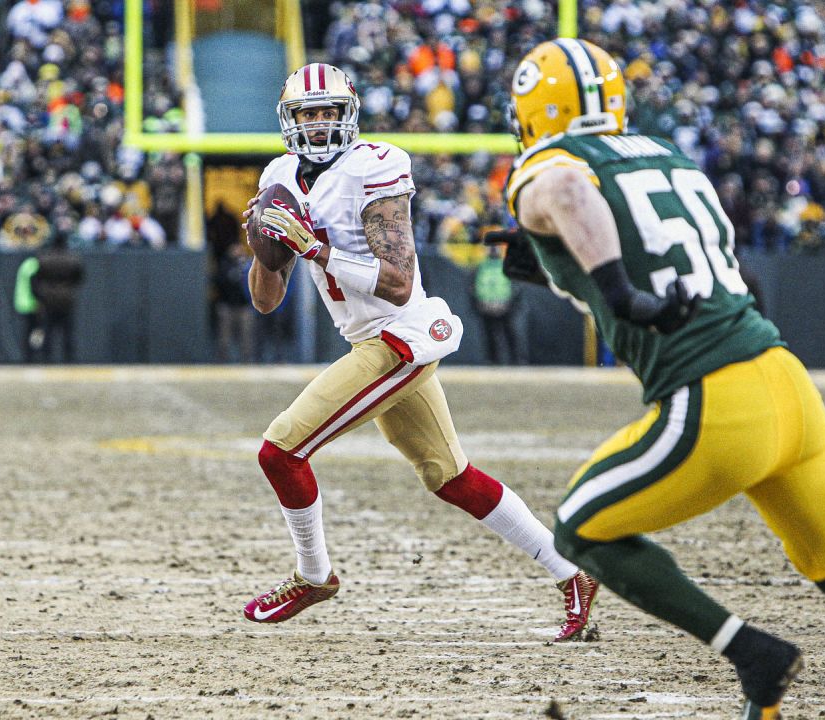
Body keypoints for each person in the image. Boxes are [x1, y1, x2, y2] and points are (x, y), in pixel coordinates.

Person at [500, 38, 825, 717]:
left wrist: (618, 290)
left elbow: (571, 189)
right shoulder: (669, 153)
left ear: (534, 112)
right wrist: (566, 268)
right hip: (783, 382)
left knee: (580, 529)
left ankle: (754, 654)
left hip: (715, 399)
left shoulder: (552, 162)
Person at [240, 62, 599, 642]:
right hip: (368, 338)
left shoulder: (375, 166)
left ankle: (315, 574)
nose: (320, 123)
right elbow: (264, 300)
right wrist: (265, 249)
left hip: (400, 333)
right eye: (310, 113)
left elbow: (399, 282)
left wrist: (316, 249)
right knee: (448, 475)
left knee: (281, 451)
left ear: (348, 115)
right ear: (291, 120)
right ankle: (573, 573)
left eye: (330, 111)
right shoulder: (280, 174)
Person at [31, 234, 84, 363]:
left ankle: (46, 360)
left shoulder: (43, 259)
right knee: (67, 332)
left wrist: (40, 295)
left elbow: (35, 280)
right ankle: (69, 360)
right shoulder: (73, 259)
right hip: (67, 298)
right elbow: (79, 278)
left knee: (48, 331)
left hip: (48, 299)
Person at [472, 244, 521, 365]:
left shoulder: (484, 267)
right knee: (492, 335)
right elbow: (473, 287)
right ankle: (494, 361)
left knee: (508, 334)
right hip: (491, 306)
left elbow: (515, 287)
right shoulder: (482, 267)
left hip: (501, 306)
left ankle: (515, 360)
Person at [14, 254, 42, 362]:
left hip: (23, 303)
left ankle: (29, 357)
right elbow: (34, 285)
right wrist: (38, 302)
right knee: (34, 331)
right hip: (31, 304)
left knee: (28, 331)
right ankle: (31, 357)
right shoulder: (33, 265)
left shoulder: (26, 264)